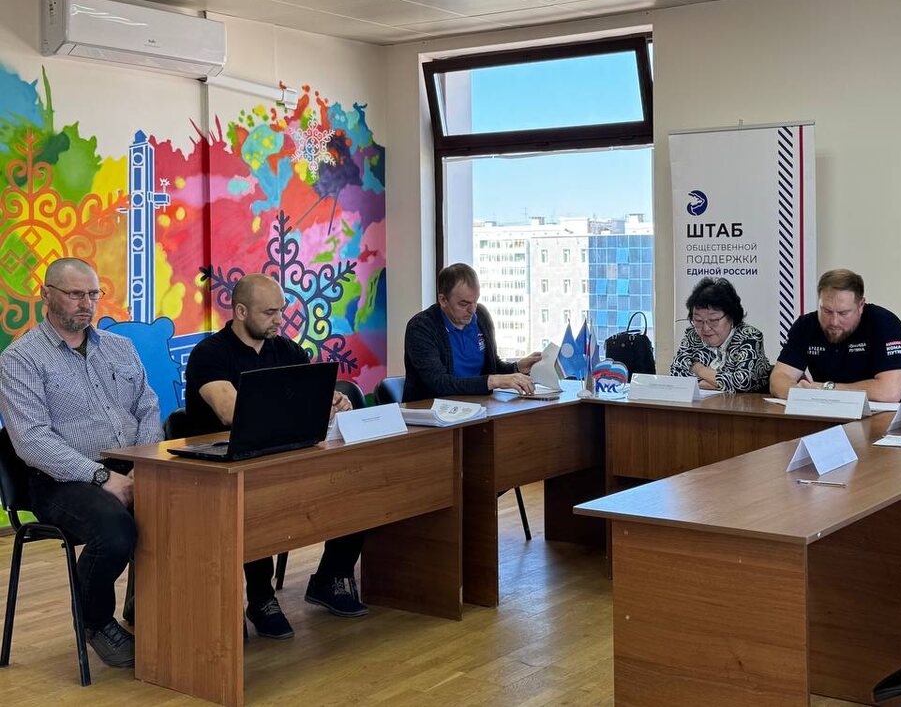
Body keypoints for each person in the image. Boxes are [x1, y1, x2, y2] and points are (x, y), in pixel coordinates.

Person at [0, 257, 162, 669]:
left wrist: (142, 466)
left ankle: (152, 605)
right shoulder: (21, 359)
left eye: (93, 294)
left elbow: (147, 407)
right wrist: (103, 477)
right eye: (75, 294)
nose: (86, 304)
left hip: (131, 465)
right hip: (59, 479)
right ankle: (95, 620)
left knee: (189, 508)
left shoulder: (120, 347)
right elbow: (33, 441)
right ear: (46, 295)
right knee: (115, 530)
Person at [184, 273, 364, 641]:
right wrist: (298, 406)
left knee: (356, 487)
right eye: (270, 313)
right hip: (221, 469)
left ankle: (331, 577)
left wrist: (331, 401)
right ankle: (261, 598)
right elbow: (230, 412)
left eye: (281, 311)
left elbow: (309, 397)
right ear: (240, 312)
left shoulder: (287, 350)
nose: (279, 320)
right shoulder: (210, 354)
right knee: (257, 502)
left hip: (279, 455)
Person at [403, 263, 541, 402]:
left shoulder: (481, 315)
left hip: (479, 405)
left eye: (475, 301)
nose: (472, 309)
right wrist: (493, 381)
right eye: (464, 304)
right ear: (443, 300)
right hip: (432, 408)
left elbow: (492, 367)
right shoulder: (421, 327)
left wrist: (517, 368)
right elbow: (439, 383)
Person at [769, 268, 901, 401]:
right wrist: (798, 391)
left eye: (843, 313)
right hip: (824, 410)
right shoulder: (806, 325)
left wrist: (824, 389)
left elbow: (890, 392)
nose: (834, 322)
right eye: (827, 311)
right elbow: (778, 379)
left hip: (879, 414)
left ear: (861, 305)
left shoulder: (885, 322)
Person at [669, 277, 770, 392]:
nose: (706, 328)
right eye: (698, 320)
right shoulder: (692, 335)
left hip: (744, 403)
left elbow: (742, 383)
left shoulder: (750, 337)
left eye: (713, 320)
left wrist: (699, 369)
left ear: (731, 316)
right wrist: (717, 382)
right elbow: (676, 374)